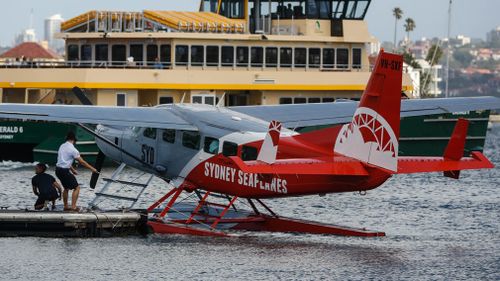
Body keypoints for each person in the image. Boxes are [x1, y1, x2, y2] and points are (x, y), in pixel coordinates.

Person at [55, 132, 98, 211]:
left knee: (66, 188)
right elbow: (82, 162)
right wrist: (93, 169)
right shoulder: (73, 150)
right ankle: (74, 207)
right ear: (74, 140)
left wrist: (72, 169)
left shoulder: (62, 146)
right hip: (64, 171)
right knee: (77, 188)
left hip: (58, 170)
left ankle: (66, 206)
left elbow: (64, 160)